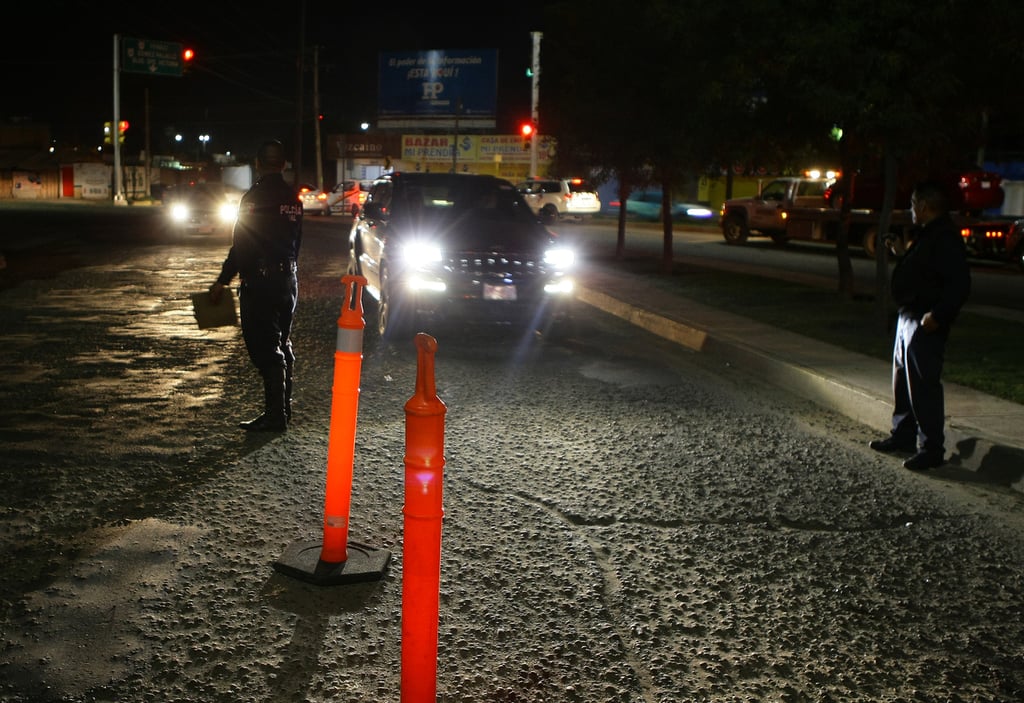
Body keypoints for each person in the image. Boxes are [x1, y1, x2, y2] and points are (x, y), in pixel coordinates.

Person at [869, 180, 971, 470]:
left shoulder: (945, 238)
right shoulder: (928, 236)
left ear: (924, 206)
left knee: (922, 385)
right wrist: (902, 254)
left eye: (913, 203)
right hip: (908, 317)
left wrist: (938, 315)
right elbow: (924, 272)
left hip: (925, 321)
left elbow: (960, 284)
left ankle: (931, 448)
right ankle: (903, 434)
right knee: (903, 381)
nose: (911, 209)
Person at [209, 140, 302, 432]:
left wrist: (224, 280)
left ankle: (276, 417)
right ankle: (283, 409)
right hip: (288, 279)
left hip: (261, 282)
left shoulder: (254, 198)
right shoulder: (293, 198)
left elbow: (242, 246)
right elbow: (297, 242)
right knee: (282, 340)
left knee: (264, 345)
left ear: (258, 164)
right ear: (283, 164)